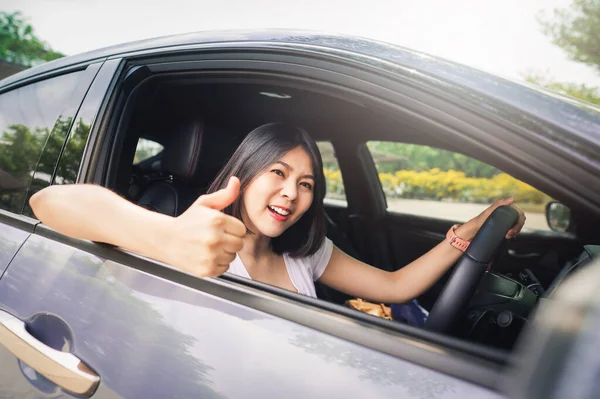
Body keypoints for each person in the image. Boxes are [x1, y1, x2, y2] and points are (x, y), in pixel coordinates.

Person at [30, 123, 525, 303]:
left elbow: (396, 287)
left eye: (306, 184)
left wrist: (468, 231)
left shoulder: (305, 253)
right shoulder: (192, 239)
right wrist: (164, 238)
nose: (292, 193)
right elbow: (46, 203)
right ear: (243, 173)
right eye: (278, 173)